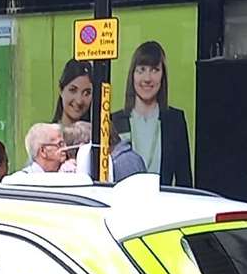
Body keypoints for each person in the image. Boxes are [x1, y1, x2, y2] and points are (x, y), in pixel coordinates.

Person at [109, 40, 192, 188]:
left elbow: (184, 180)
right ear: (132, 75)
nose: (147, 78)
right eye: (141, 70)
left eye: (154, 70)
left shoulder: (175, 120)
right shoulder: (114, 121)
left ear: (163, 76)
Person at [51, 59, 94, 128]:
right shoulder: (45, 135)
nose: (79, 101)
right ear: (61, 90)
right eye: (73, 90)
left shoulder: (99, 135)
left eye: (87, 93)